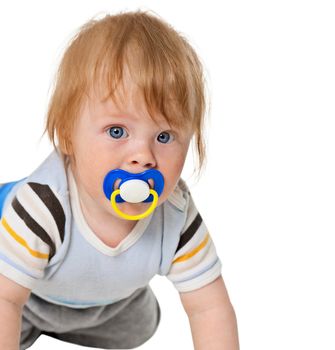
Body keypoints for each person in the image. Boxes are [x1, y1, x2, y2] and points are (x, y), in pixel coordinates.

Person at [0, 11, 239, 349]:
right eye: (117, 131)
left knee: (142, 325)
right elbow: (5, 298)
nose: (143, 156)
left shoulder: (174, 214)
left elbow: (209, 307)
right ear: (68, 136)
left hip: (108, 306)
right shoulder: (43, 206)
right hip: (19, 292)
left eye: (165, 136)